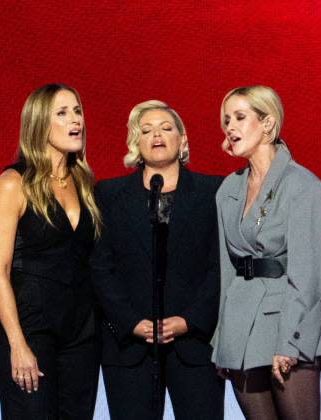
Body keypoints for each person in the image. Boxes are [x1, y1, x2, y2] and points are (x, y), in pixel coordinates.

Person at [91, 100, 224, 420]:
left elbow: (220, 265)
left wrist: (189, 320)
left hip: (195, 345)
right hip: (130, 349)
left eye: (166, 128)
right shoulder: (108, 194)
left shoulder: (214, 191)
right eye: (146, 130)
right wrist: (130, 322)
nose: (157, 135)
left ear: (183, 140)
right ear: (135, 142)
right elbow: (100, 265)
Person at [211, 86, 321, 420]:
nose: (230, 128)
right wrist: (223, 341)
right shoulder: (228, 189)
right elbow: (227, 270)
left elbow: (312, 274)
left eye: (240, 118)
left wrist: (290, 342)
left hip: (287, 323)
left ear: (267, 124)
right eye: (226, 120)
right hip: (240, 329)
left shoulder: (302, 185)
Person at [0, 84, 101, 419]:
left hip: (81, 331)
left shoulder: (84, 184)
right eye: (62, 113)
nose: (75, 119)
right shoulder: (13, 183)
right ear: (39, 123)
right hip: (31, 328)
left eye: (77, 110)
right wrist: (17, 344)